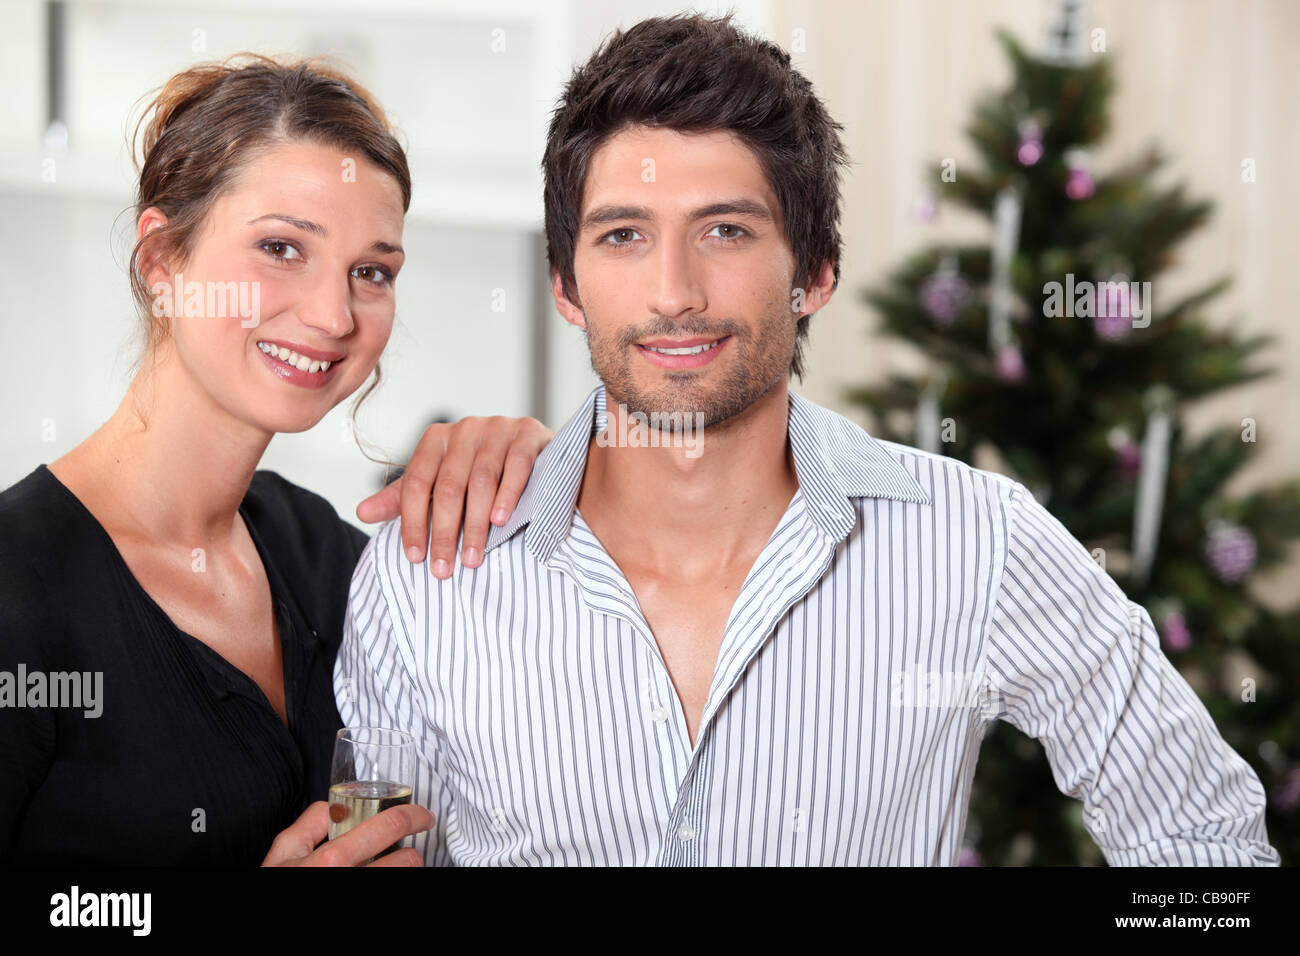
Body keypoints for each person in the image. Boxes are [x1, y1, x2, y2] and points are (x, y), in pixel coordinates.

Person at [336, 14, 1280, 866]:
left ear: (816, 270)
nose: (674, 292)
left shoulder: (978, 541)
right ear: (565, 284)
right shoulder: (425, 579)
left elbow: (1204, 846)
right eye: (624, 235)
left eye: (727, 231)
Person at [0, 54, 550, 866]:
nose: (332, 315)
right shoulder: (20, 586)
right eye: (283, 248)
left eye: (370, 272)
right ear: (163, 265)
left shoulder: (320, 551)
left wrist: (545, 470)